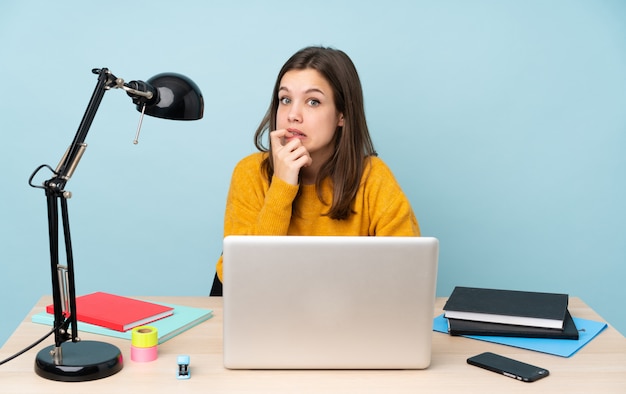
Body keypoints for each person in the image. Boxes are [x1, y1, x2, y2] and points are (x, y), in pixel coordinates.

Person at [213, 46, 419, 288]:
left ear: (342, 115)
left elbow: (409, 274)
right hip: (268, 316)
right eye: (285, 99)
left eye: (313, 101)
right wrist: (281, 186)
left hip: (349, 318)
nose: (293, 115)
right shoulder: (249, 173)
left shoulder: (373, 177)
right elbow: (240, 277)